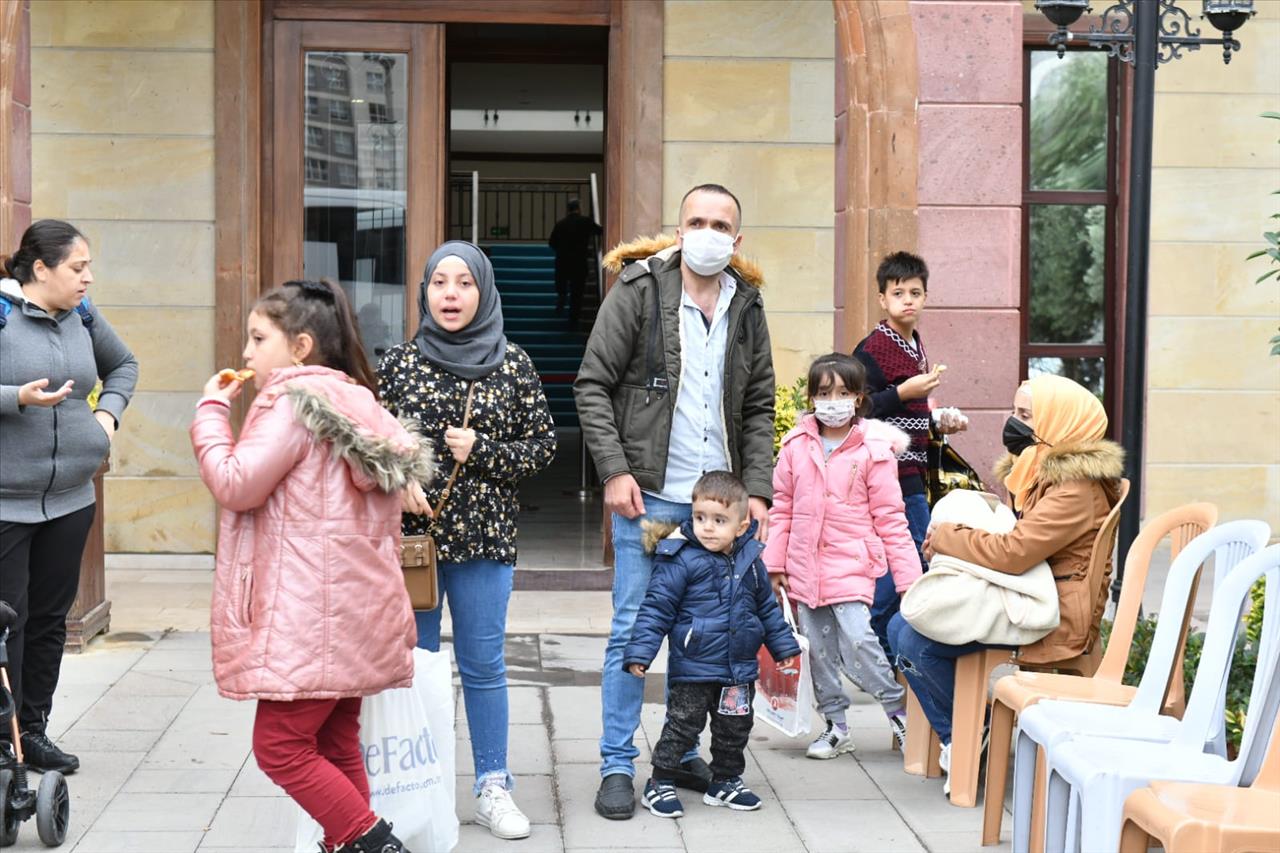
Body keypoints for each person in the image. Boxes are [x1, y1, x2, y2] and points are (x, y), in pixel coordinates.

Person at [191, 279, 430, 853]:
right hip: (354, 610)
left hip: (305, 612)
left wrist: (210, 411)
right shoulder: (359, 402)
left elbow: (235, 483)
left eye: (257, 338)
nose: (246, 353)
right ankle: (349, 842)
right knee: (337, 740)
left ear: (300, 347)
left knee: (280, 747)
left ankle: (368, 840)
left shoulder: (293, 405)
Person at [574, 183, 776, 819]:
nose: (709, 232)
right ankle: (615, 764)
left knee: (710, 637)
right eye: (698, 221)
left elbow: (758, 404)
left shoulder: (747, 303)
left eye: (721, 223)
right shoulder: (637, 290)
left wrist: (759, 490)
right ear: (679, 229)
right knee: (634, 632)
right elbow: (593, 384)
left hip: (718, 507)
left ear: (736, 240)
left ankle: (680, 753)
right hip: (651, 499)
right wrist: (612, 470)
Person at [377, 241, 556, 841]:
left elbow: (543, 448)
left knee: (483, 665)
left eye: (464, 284)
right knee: (414, 668)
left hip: (485, 540)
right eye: (439, 283)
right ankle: (419, 790)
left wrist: (484, 452)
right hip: (412, 545)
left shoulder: (514, 364)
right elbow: (365, 442)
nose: (451, 295)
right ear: (424, 291)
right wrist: (395, 481)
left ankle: (492, 786)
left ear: (483, 292)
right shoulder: (399, 363)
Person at [888, 374, 1123, 794]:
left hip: (1052, 616)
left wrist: (946, 537)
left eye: (1026, 415)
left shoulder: (1076, 489)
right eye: (1015, 412)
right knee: (900, 624)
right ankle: (963, 728)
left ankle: (965, 734)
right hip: (1031, 593)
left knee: (915, 641)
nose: (1014, 423)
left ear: (1059, 422)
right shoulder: (1046, 472)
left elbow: (1014, 553)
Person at [0, 219, 138, 774]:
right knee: (10, 620)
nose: (88, 278)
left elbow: (124, 364)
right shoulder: (4, 315)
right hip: (6, 502)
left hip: (71, 499)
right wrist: (17, 398)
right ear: (40, 269)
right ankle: (2, 738)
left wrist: (107, 417)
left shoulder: (83, 315)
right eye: (78, 268)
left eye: (89, 267)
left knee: (51, 621)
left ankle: (32, 731)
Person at [764, 354, 921, 761]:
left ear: (858, 397)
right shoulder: (796, 446)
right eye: (823, 392)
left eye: (842, 392)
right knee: (817, 649)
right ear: (812, 397)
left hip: (852, 563)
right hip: (804, 567)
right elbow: (782, 506)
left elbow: (890, 517)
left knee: (860, 637)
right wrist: (775, 564)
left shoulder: (874, 450)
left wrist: (909, 580)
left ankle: (896, 711)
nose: (832, 400)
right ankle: (836, 726)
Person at [623, 471, 799, 818]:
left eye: (719, 520)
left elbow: (766, 607)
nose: (707, 527)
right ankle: (659, 781)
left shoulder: (751, 561)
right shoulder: (681, 558)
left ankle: (726, 781)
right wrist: (641, 652)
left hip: (738, 668)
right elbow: (656, 608)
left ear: (741, 524)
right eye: (700, 517)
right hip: (695, 665)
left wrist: (785, 648)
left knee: (734, 727)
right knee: (683, 724)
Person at [853, 251, 967, 658]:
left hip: (911, 472)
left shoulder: (914, 345)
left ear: (925, 297)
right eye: (897, 293)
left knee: (908, 562)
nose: (907, 300)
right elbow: (856, 408)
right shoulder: (875, 349)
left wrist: (938, 422)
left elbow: (908, 414)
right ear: (882, 299)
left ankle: (884, 653)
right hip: (890, 475)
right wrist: (904, 393)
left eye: (915, 292)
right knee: (912, 563)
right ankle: (884, 651)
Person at [547, 198, 602, 326]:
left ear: (568, 210)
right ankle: (573, 321)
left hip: (563, 262)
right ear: (579, 208)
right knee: (577, 293)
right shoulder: (585, 222)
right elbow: (600, 231)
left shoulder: (560, 224)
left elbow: (552, 242)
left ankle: (561, 300)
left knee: (562, 285)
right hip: (579, 262)